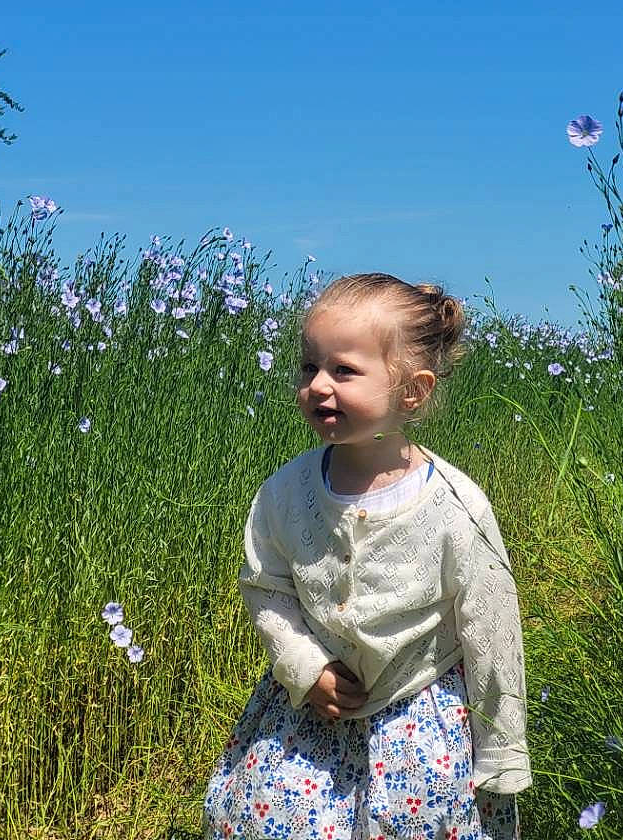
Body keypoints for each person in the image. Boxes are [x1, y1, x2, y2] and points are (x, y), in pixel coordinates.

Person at [202, 273, 532, 839]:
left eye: (344, 371)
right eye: (310, 367)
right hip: (310, 714)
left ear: (413, 391)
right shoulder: (285, 493)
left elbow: (491, 625)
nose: (318, 386)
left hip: (418, 718)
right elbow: (267, 588)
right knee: (270, 818)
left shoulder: (454, 505)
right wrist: (306, 668)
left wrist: (501, 747)